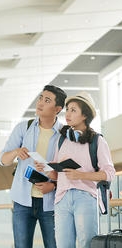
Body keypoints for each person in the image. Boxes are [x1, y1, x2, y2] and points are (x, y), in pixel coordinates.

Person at [35, 91, 115, 248]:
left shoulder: (97, 141)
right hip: (62, 199)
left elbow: (109, 173)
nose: (68, 114)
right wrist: (46, 167)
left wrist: (81, 175)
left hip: (85, 198)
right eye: (67, 109)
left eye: (73, 110)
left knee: (87, 244)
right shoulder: (62, 140)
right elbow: (57, 175)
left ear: (84, 115)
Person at [0, 85, 67, 248]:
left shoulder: (65, 134)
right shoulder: (24, 127)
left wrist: (53, 185)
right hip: (22, 201)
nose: (41, 102)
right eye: (41, 98)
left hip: (51, 203)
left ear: (57, 108)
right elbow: (3, 159)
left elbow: (68, 171)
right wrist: (15, 151)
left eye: (47, 100)